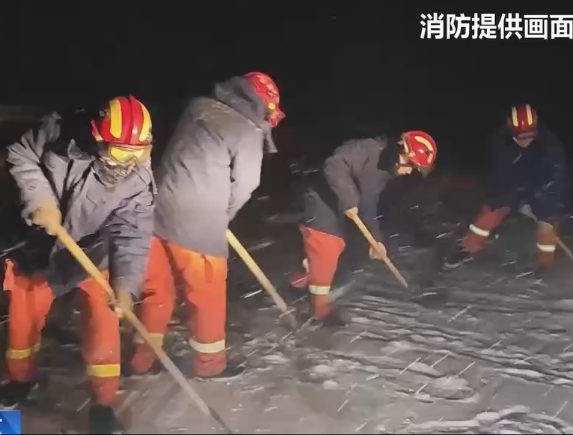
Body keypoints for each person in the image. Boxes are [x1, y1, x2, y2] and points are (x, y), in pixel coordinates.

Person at [0, 95, 156, 434]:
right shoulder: (57, 131)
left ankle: (102, 402)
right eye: (119, 153)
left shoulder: (138, 179)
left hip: (89, 250)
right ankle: (20, 379)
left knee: (104, 322)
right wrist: (41, 201)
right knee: (24, 321)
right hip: (36, 243)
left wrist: (126, 286)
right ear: (99, 138)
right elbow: (20, 154)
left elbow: (133, 233)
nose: (127, 164)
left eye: (137, 153)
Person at [126, 72, 284, 381]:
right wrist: (223, 215)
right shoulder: (247, 130)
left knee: (158, 292)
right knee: (206, 297)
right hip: (197, 222)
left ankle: (142, 359)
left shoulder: (197, 107)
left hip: (155, 210)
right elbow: (247, 184)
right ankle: (210, 366)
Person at [289, 130, 438, 325]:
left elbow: (369, 203)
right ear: (402, 152)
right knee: (328, 245)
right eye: (411, 165)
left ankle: (298, 282)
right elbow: (334, 164)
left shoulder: (385, 171)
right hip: (319, 194)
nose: (409, 171)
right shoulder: (368, 149)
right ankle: (318, 310)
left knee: (338, 247)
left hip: (337, 202)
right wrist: (349, 198)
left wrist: (375, 239)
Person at [445, 104, 566, 270]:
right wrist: (512, 195)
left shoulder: (550, 146)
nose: (525, 141)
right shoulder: (500, 142)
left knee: (548, 221)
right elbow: (500, 174)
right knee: (492, 210)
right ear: (510, 127)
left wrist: (538, 200)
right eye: (520, 137)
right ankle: (469, 246)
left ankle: (545, 262)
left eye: (529, 136)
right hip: (512, 187)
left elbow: (556, 179)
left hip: (540, 189)